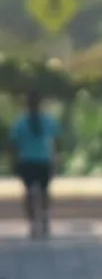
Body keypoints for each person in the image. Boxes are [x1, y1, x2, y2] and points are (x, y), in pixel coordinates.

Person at [10, 91, 61, 239]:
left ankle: (41, 219)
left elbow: (55, 140)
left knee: (40, 191)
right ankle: (35, 221)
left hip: (39, 159)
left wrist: (55, 157)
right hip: (31, 160)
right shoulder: (23, 122)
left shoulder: (44, 121)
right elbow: (15, 144)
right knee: (32, 192)